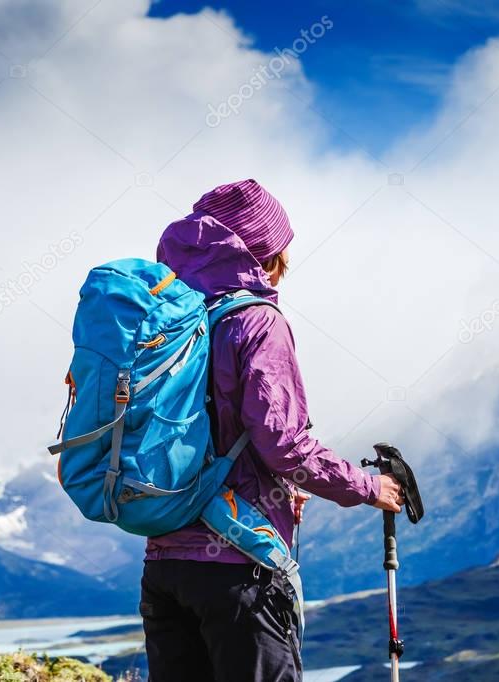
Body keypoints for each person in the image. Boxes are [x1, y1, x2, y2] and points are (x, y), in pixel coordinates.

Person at [140, 179, 405, 682]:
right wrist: (369, 487)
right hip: (241, 565)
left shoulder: (170, 323)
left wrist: (276, 486)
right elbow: (283, 443)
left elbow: (210, 436)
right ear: (264, 254)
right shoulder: (257, 322)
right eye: (282, 252)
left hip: (165, 562)